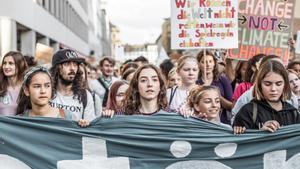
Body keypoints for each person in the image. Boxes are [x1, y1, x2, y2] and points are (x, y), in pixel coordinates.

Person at [233, 60, 300, 134]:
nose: (273, 89)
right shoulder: (248, 111)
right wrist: (260, 133)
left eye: (278, 84)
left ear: (285, 85)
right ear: (259, 84)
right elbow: (238, 142)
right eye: (268, 84)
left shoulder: (293, 112)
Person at [16, 66, 89, 127]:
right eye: (37, 86)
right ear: (26, 91)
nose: (43, 91)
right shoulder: (19, 121)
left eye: (47, 86)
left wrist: (83, 126)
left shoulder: (67, 116)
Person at [49, 49, 95, 121]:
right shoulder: (47, 92)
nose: (72, 68)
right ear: (57, 68)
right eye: (67, 64)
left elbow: (90, 127)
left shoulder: (85, 96)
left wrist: (85, 123)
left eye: (75, 64)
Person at [196, 50, 233, 124]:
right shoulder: (196, 82)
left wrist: (217, 96)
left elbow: (231, 106)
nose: (208, 65)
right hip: (202, 122)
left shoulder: (222, 79)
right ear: (199, 64)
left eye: (210, 61)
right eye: (204, 62)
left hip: (222, 123)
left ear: (214, 63)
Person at [0, 51, 28, 116]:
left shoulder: (26, 88)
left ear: (20, 65)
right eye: (4, 63)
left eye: (11, 63)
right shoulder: (0, 86)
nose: (6, 67)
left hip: (20, 125)